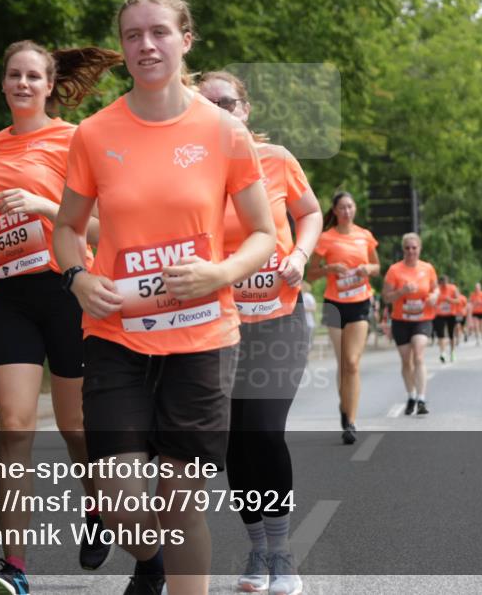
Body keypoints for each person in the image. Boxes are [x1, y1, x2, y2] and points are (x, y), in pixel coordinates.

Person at [53, 0, 276, 595]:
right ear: (123, 47)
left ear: (185, 39)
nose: (146, 45)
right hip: (116, 335)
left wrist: (220, 274)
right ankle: (148, 558)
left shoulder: (223, 131)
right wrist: (78, 277)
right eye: (133, 35)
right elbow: (67, 229)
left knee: (182, 504)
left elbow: (263, 233)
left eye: (159, 32)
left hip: (201, 336)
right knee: (120, 502)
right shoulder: (94, 134)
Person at [0, 39, 121, 594]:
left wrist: (46, 209)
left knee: (75, 427)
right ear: (4, 83)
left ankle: (99, 508)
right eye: (14, 75)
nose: (23, 84)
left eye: (34, 76)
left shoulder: (76, 139)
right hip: (10, 296)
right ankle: (15, 567)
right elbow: (3, 215)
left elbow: (105, 226)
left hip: (66, 290)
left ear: (51, 86)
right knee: (14, 428)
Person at [198, 70, 321, 595]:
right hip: (221, 326)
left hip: (280, 320)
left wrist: (299, 254)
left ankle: (283, 555)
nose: (220, 111)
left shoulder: (277, 160)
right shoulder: (192, 171)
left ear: (245, 110)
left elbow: (310, 212)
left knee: (265, 432)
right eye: (208, 105)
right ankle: (257, 551)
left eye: (228, 102)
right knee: (234, 445)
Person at [307, 191, 380, 445]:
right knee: (342, 365)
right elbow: (311, 274)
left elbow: (376, 267)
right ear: (335, 211)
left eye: (350, 207)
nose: (347, 211)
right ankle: (345, 406)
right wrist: (329, 268)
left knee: (352, 363)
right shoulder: (326, 238)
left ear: (355, 208)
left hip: (359, 301)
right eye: (342, 208)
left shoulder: (365, 236)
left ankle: (350, 421)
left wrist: (366, 269)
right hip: (334, 305)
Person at [382, 233, 437, 416]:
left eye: (414, 248)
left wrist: (434, 297)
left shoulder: (427, 268)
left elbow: (435, 288)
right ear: (403, 249)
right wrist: (402, 291)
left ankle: (421, 399)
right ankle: (411, 395)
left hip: (422, 318)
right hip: (401, 320)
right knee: (406, 360)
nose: (411, 251)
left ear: (419, 248)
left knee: (419, 355)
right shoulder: (394, 270)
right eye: (407, 248)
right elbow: (386, 297)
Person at [433, 275, 458, 363]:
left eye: (445, 283)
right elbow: (433, 300)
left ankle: (452, 352)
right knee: (441, 334)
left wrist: (450, 300)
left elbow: (458, 300)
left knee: (451, 334)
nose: (444, 285)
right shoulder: (437, 289)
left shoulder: (453, 288)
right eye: (442, 283)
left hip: (451, 314)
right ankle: (442, 353)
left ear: (447, 282)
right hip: (439, 314)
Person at [301, 282, 317, 346]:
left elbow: (314, 308)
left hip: (308, 322)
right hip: (301, 322)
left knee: (307, 341)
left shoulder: (308, 296)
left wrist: (303, 309)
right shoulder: (299, 296)